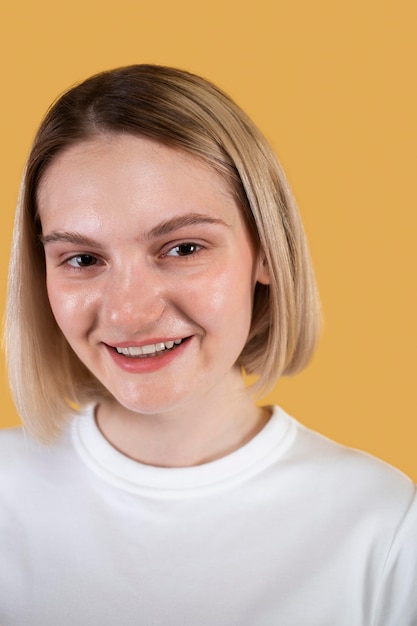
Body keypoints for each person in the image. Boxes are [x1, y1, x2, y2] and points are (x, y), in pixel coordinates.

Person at [0, 65, 416, 626]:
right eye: (82, 260)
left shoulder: (385, 526)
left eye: (183, 248)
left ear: (266, 250)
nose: (128, 310)